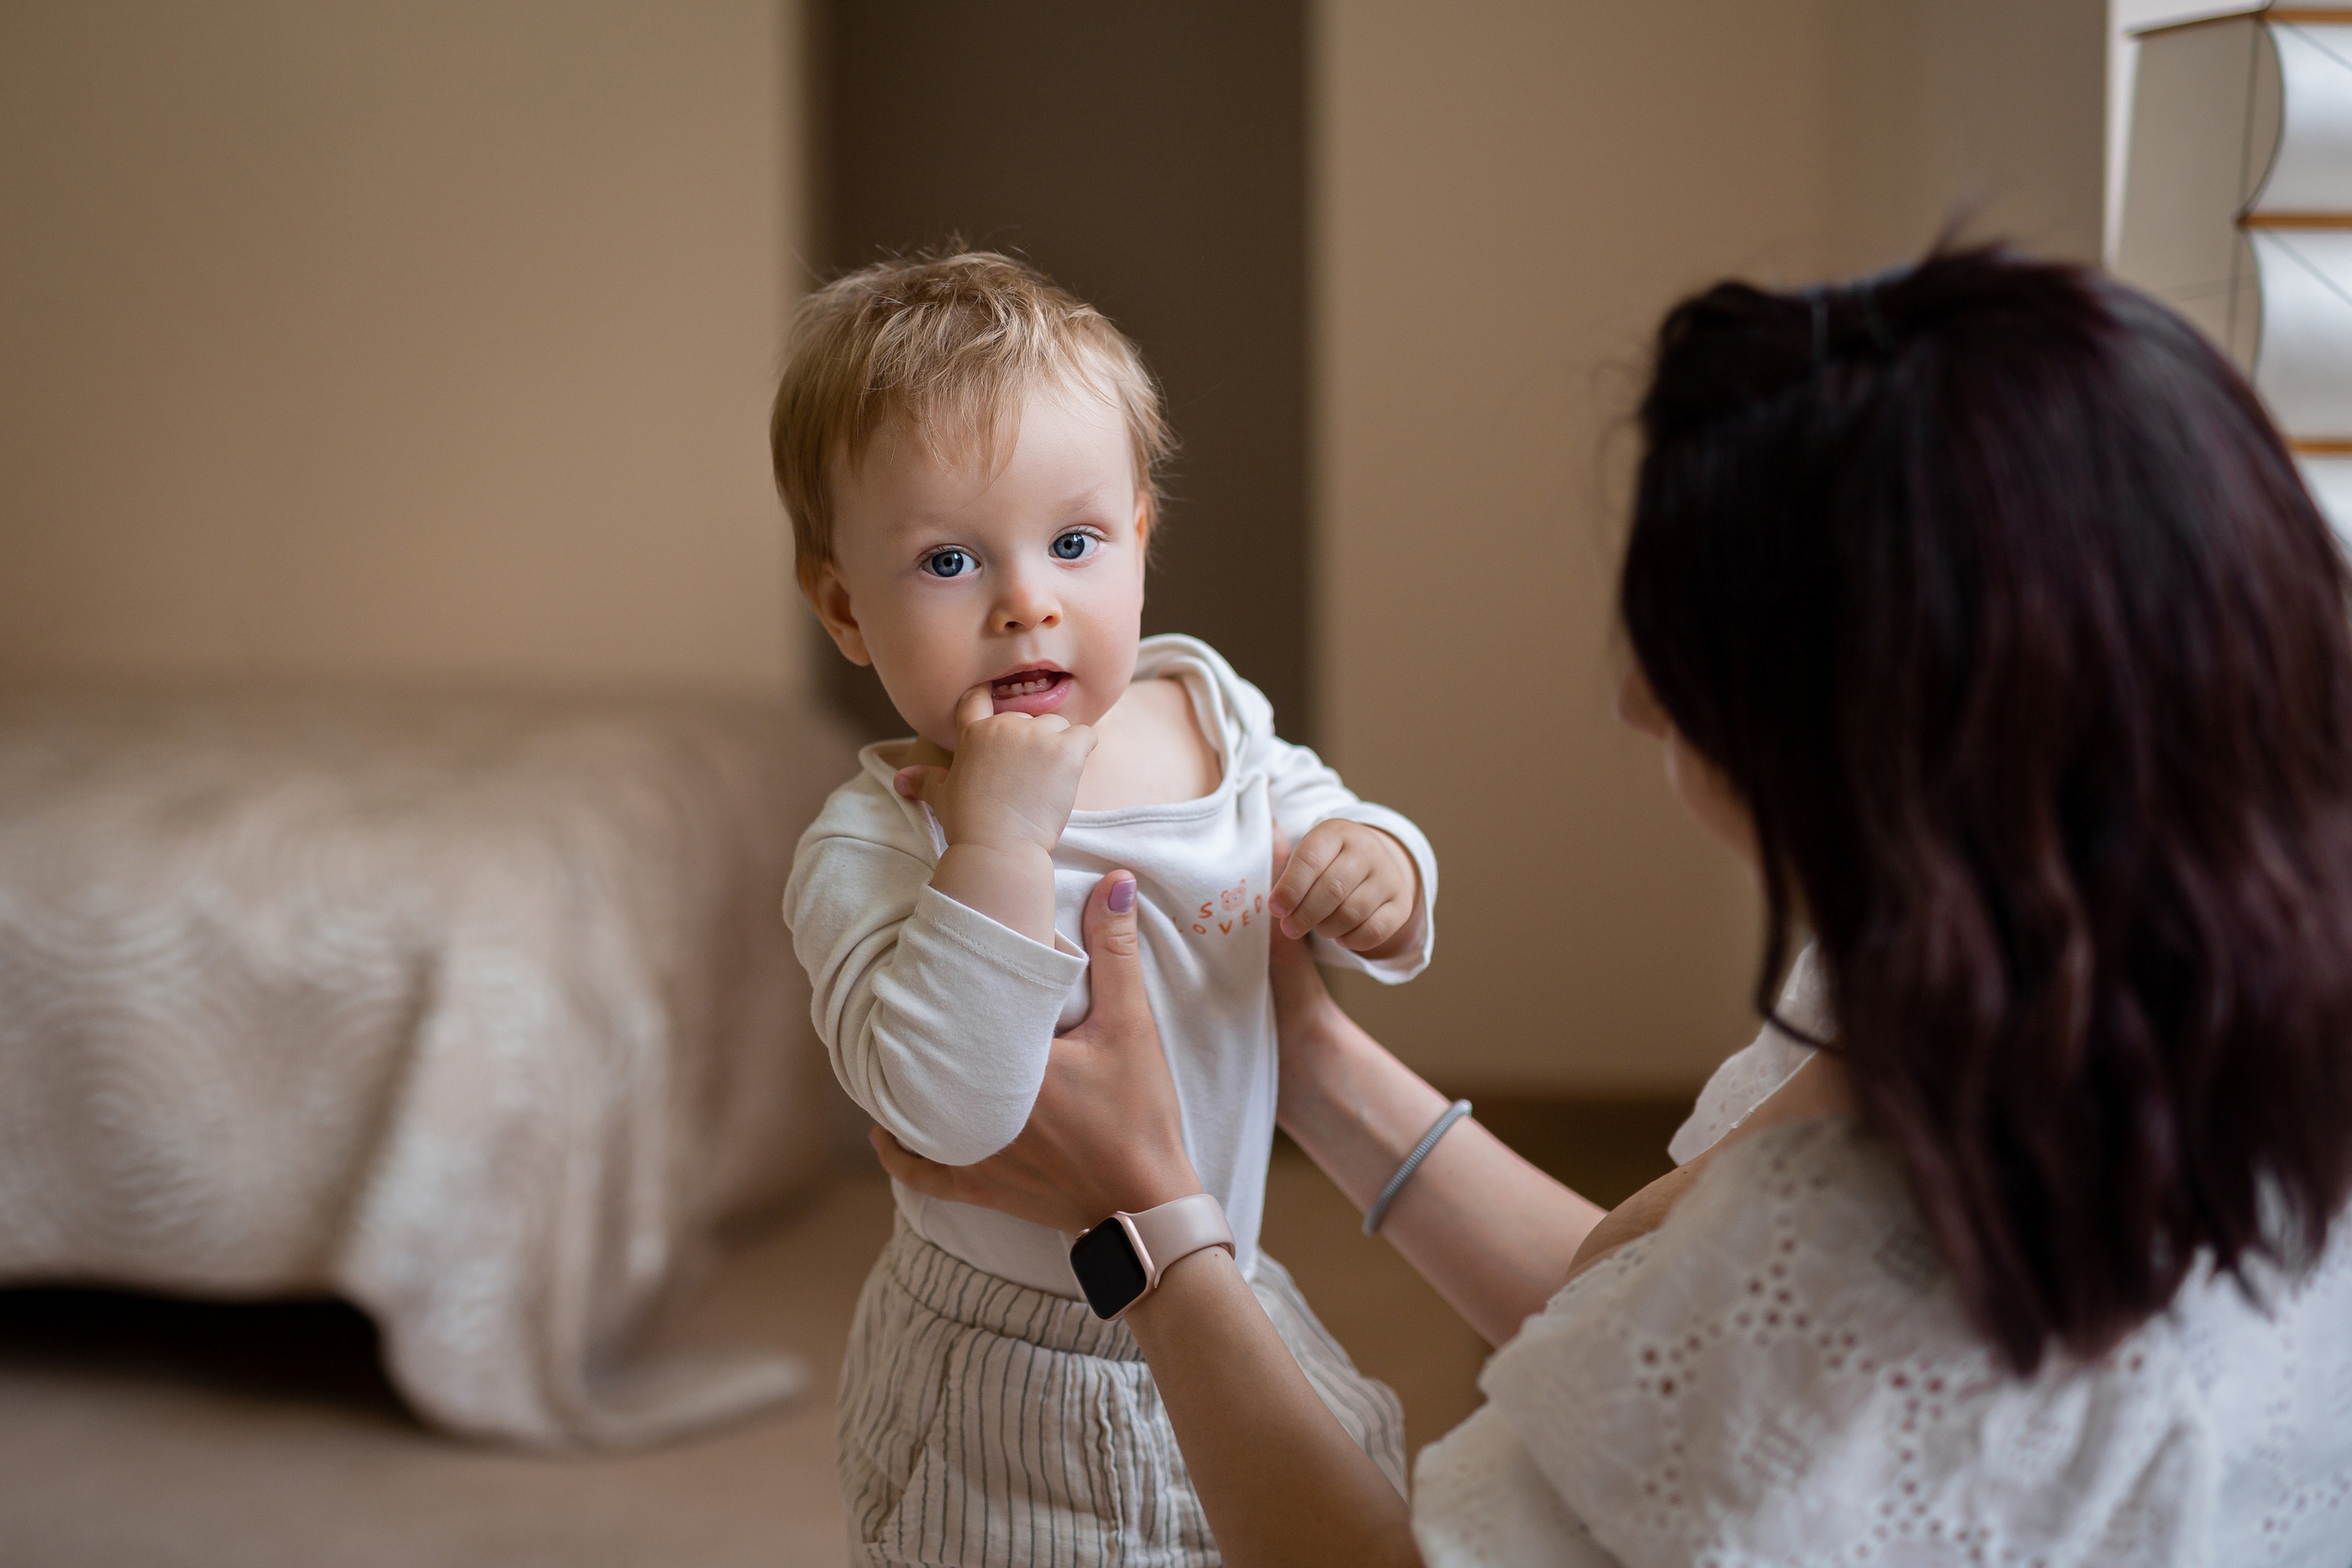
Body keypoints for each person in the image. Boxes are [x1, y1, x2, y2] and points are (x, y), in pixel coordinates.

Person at [876, 247, 2352, 1566]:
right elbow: (1639, 1303)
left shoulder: (1873, 1277)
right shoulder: (2041, 962)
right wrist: (1306, 1061)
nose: (1633, 701)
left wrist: (1149, 1224)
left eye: (1687, 643)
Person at [772, 250, 1439, 1566]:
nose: (1028, 600)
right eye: (949, 561)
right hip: (1003, 1369)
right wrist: (1004, 832)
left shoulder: (1206, 712)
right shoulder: (873, 842)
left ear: (1138, 536)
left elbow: (1323, 819)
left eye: (1072, 542)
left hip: (1230, 1285)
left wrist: (1379, 866)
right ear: (846, 606)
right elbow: (949, 1107)